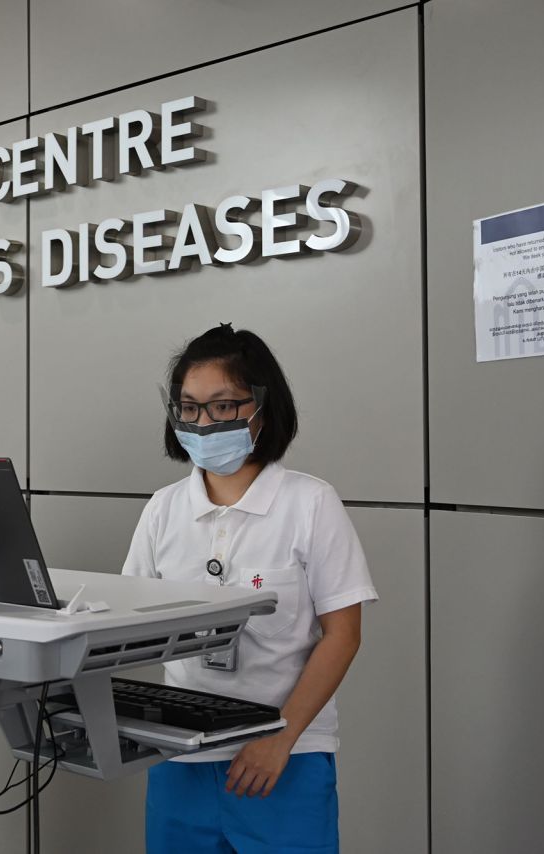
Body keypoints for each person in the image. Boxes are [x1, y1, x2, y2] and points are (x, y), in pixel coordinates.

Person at [123, 324, 377, 853]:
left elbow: (343, 635)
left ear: (263, 407)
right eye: (189, 408)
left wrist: (279, 740)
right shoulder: (163, 508)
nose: (204, 422)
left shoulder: (310, 503)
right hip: (183, 754)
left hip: (286, 755)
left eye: (223, 406)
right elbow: (128, 621)